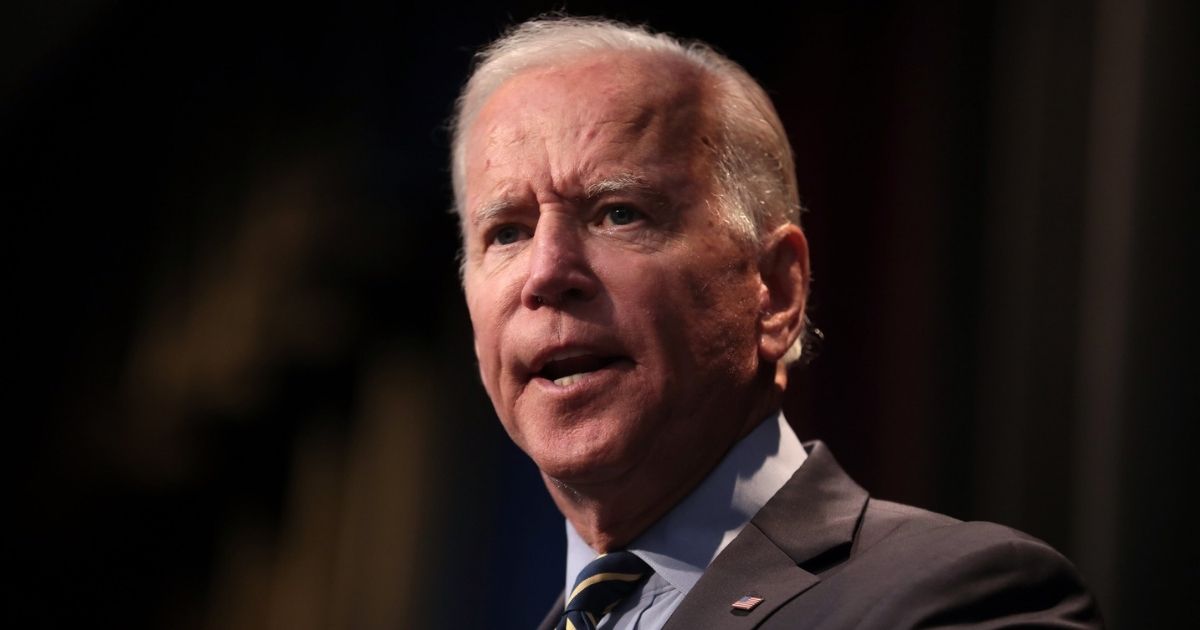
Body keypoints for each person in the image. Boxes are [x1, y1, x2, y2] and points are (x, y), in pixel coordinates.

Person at [450, 16, 1102, 630]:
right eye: (507, 232)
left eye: (619, 214)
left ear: (776, 291)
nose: (546, 272)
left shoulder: (962, 598)